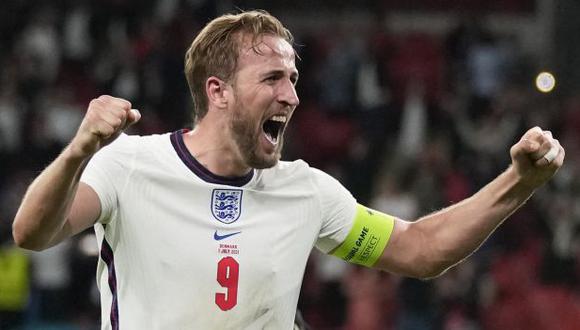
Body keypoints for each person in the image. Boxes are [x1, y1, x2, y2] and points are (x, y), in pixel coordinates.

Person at [12, 10, 564, 330]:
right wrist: (80, 149)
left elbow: (420, 252)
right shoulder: (130, 164)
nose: (293, 96)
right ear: (218, 91)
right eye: (274, 79)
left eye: (294, 78)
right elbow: (32, 233)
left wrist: (521, 182)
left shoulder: (306, 192)